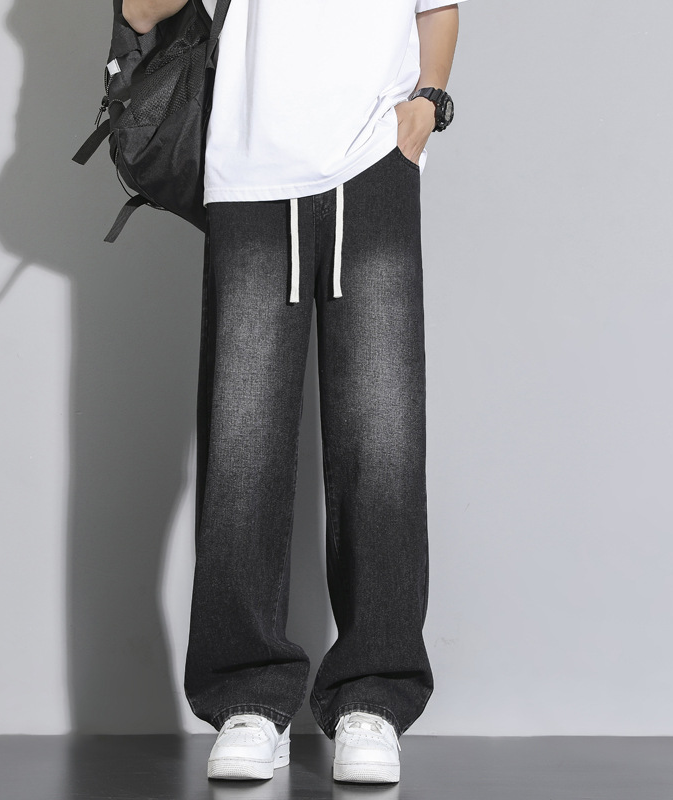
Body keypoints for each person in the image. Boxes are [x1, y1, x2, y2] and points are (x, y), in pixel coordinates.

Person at [123, 0, 465, 784]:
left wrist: (426, 104)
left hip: (375, 161)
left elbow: (438, 9)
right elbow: (142, 10)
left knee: (381, 437)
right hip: (250, 169)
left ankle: (375, 697)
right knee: (243, 442)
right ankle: (248, 698)